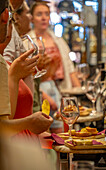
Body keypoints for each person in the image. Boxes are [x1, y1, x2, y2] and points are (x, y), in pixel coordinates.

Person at [0, 0, 53, 137]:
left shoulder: (6, 64)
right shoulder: (5, 66)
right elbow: (4, 125)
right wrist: (30, 123)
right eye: (12, 21)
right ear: (5, 18)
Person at [27, 1, 81, 133]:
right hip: (38, 93)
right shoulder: (27, 41)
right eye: (39, 14)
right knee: (43, 137)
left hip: (58, 90)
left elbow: (69, 69)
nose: (44, 17)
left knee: (61, 136)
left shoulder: (58, 40)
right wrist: (43, 94)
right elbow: (28, 74)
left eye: (47, 14)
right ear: (32, 18)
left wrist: (79, 92)